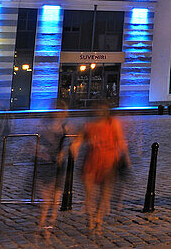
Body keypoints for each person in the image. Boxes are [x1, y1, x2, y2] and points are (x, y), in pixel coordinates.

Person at [72, 102, 128, 236]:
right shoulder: (88, 125)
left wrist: (126, 158)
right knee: (90, 195)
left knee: (104, 194)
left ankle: (98, 218)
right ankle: (91, 219)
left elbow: (120, 141)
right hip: (92, 160)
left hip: (108, 161)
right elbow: (79, 139)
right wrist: (74, 147)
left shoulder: (112, 123)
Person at [36, 100, 69, 237]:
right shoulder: (45, 124)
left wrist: (64, 153)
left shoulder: (65, 126)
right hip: (45, 162)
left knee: (56, 194)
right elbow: (37, 141)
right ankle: (42, 221)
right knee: (45, 195)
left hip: (58, 163)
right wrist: (40, 150)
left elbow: (71, 142)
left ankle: (51, 221)